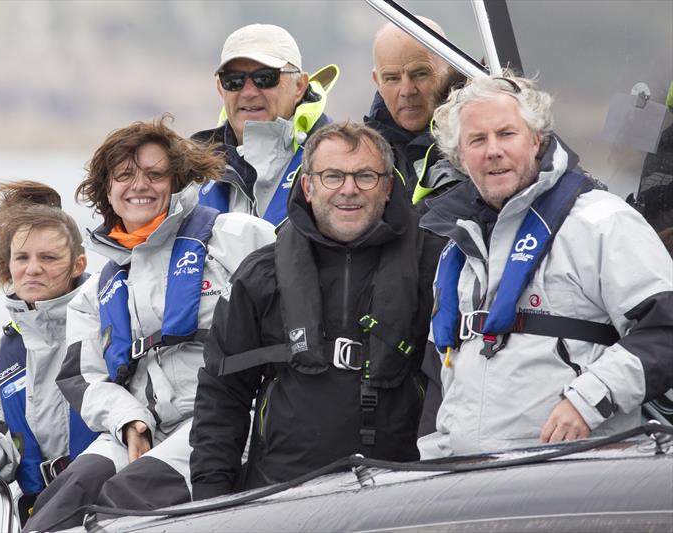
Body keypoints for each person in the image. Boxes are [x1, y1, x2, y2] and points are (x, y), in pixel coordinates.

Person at [23, 118, 275, 531]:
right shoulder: (95, 294)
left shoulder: (240, 237)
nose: (139, 185)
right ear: (107, 190)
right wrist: (128, 420)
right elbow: (85, 380)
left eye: (154, 174)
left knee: (128, 498)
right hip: (142, 427)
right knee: (59, 503)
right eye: (124, 175)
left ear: (176, 180)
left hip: (224, 418)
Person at [417, 75, 673, 458]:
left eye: (506, 134)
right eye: (477, 140)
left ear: (536, 140)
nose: (493, 151)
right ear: (459, 158)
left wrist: (588, 400)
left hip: (569, 480)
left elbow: (665, 331)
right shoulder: (456, 250)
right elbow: (441, 379)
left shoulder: (601, 221)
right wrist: (433, 461)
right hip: (467, 486)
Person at [189, 122, 443, 499]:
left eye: (365, 176)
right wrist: (210, 494)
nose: (349, 189)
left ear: (389, 187)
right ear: (308, 186)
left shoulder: (435, 266)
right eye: (333, 176)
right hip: (283, 493)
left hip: (401, 491)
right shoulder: (260, 274)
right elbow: (222, 394)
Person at [0, 181, 95, 525]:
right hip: (40, 511)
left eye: (48, 258)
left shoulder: (112, 320)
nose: (33, 269)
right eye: (23, 258)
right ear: (8, 264)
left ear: (78, 264)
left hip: (116, 499)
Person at [195, 23, 339, 226]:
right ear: (220, 88)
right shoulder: (191, 172)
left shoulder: (342, 161)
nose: (249, 92)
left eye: (265, 78)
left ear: (300, 86)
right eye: (234, 80)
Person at [365, 20, 462, 204]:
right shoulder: (363, 155)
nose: (407, 90)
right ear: (377, 81)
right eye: (392, 78)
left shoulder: (482, 140)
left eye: (420, 74)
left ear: (450, 69)